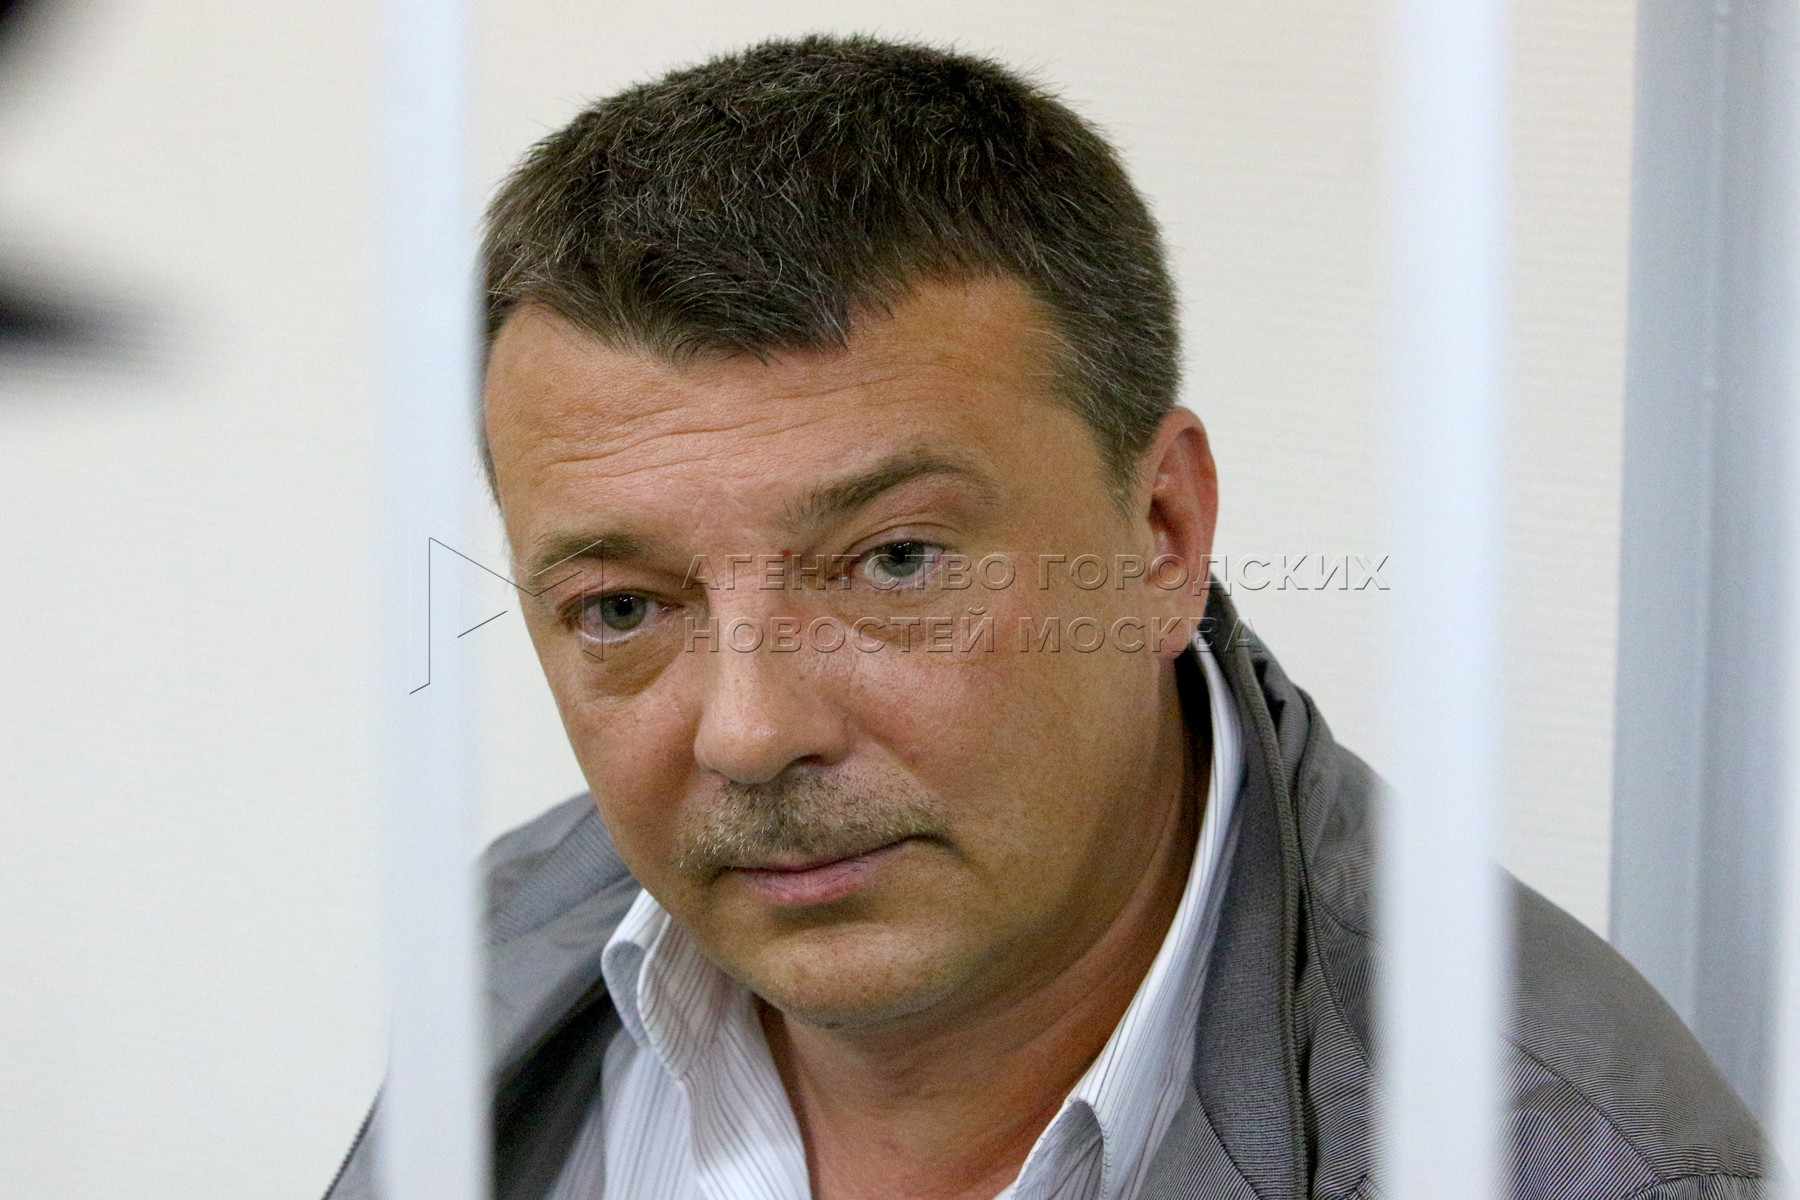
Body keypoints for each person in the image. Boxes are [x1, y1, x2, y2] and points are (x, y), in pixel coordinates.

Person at [327, 35, 1763, 1200]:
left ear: (1162, 537)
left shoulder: (1574, 1164)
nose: (751, 734)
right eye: (623, 604)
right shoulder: (520, 947)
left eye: (895, 563)